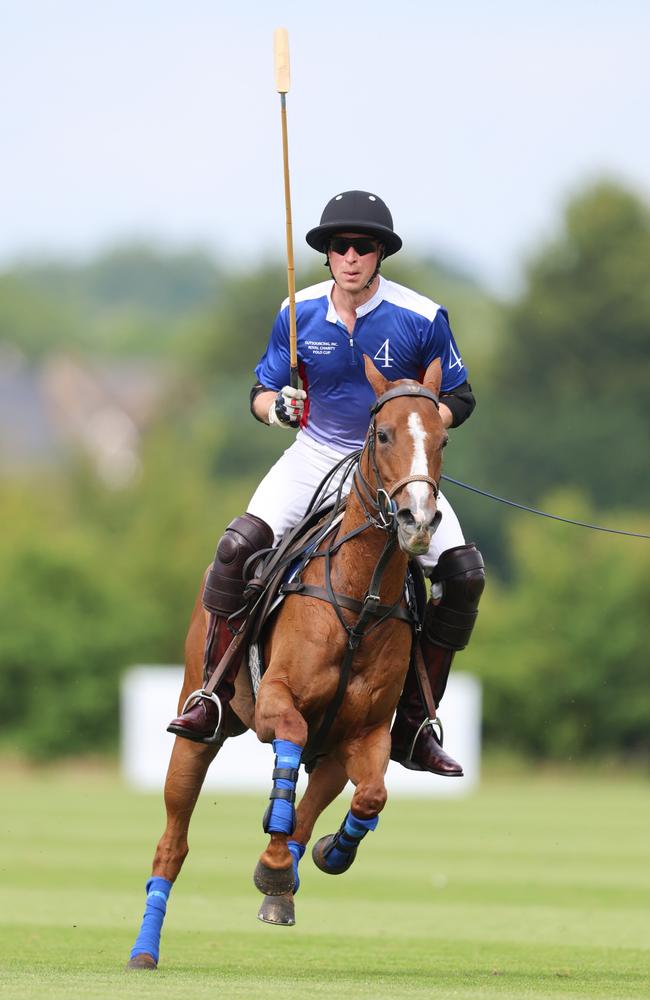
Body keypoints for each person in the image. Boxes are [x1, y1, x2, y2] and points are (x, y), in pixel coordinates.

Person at [168, 190, 485, 776]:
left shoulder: (421, 316)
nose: (352, 256)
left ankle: (415, 722)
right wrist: (277, 410)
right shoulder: (297, 312)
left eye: (364, 247)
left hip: (393, 468)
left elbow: (460, 397)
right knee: (236, 549)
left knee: (463, 575)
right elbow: (261, 391)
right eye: (341, 247)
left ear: (380, 255)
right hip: (315, 455)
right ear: (328, 255)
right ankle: (211, 694)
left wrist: (415, 427)